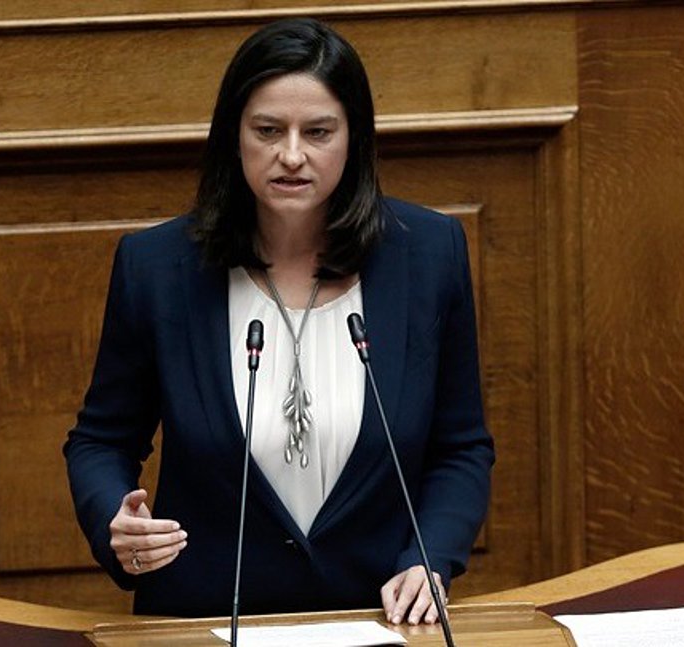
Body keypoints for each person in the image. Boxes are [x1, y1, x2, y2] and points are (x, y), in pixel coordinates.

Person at [64, 17, 494, 625]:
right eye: (268, 130)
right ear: (234, 136)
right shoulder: (158, 267)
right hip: (206, 622)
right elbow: (102, 440)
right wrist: (116, 519)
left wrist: (432, 558)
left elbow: (461, 446)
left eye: (318, 132)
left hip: (378, 619)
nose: (292, 155)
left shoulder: (426, 254)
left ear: (354, 138)